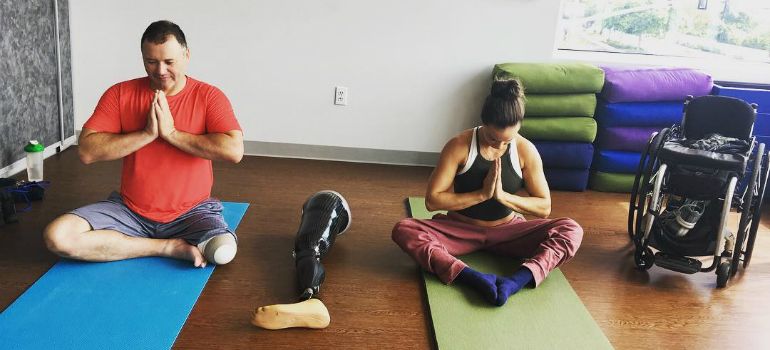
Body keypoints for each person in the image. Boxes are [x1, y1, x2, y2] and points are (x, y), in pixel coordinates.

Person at [43, 20, 244, 267]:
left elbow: (234, 151)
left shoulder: (209, 96)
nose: (160, 70)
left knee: (223, 252)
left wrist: (170, 133)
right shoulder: (120, 93)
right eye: (151, 61)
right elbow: (86, 151)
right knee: (58, 237)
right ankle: (167, 247)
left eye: (169, 62)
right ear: (143, 58)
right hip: (130, 211)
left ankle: (140, 242)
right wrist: (147, 134)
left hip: (192, 212)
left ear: (186, 55)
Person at [392, 78, 583, 306]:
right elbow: (433, 201)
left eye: (507, 140)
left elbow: (544, 207)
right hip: (459, 229)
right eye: (493, 138)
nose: (500, 145)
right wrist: (481, 195)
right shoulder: (459, 145)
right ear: (484, 123)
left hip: (508, 231)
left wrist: (503, 197)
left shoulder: (525, 150)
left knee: (571, 230)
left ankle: (516, 281)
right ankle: (471, 277)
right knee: (404, 229)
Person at [252, 190, 352, 330]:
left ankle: (310, 298)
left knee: (308, 248)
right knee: (309, 249)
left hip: (331, 204)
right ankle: (310, 299)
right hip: (332, 206)